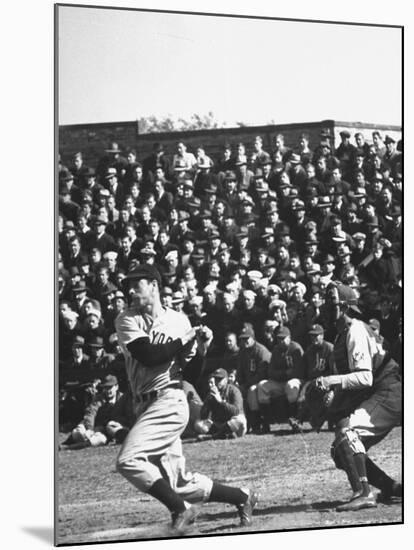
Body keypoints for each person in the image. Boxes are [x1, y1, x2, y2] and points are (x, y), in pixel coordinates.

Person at [115, 264, 258, 535]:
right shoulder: (127, 319)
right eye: (128, 285)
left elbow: (190, 372)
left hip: (169, 399)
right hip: (144, 403)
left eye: (137, 284)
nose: (130, 290)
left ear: (154, 285)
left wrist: (201, 348)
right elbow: (148, 355)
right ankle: (242, 496)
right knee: (178, 483)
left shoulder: (178, 320)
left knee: (128, 460)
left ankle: (181, 509)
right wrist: (186, 339)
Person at [314, 283, 402, 511]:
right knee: (340, 452)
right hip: (381, 390)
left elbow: (365, 378)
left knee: (347, 434)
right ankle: (392, 489)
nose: (326, 305)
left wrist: (332, 381)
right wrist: (334, 395)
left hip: (389, 389)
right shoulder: (345, 332)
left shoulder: (355, 330)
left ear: (344, 306)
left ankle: (363, 493)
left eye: (331, 300)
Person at [70, 375, 130, 447]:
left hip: (110, 427)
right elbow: (91, 413)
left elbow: (129, 415)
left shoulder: (122, 398)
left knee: (101, 437)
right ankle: (81, 439)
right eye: (106, 388)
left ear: (116, 387)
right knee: (78, 433)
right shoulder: (98, 398)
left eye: (110, 387)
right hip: (96, 425)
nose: (108, 391)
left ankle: (78, 445)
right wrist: (90, 429)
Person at [194, 368, 247, 441]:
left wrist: (220, 401)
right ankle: (223, 435)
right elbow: (203, 415)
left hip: (234, 425)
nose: (217, 381)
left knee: (240, 419)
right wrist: (208, 400)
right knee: (198, 424)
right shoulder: (213, 392)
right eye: (215, 379)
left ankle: (215, 436)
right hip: (220, 425)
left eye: (220, 379)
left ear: (226, 380)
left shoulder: (234, 390)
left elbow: (236, 411)